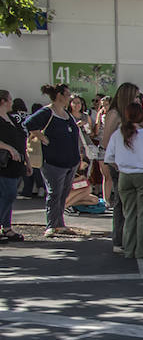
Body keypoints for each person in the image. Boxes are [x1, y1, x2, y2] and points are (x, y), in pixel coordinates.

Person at [25, 83, 82, 238]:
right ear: (59, 96)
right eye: (67, 94)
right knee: (54, 192)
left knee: (63, 193)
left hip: (70, 161)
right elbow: (29, 124)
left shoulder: (66, 113)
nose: (69, 97)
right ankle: (51, 225)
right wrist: (43, 139)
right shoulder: (47, 112)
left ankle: (59, 224)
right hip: (53, 162)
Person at [104, 101, 143, 258]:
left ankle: (128, 248)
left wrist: (120, 167)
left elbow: (109, 158)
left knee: (128, 213)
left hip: (124, 176)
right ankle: (142, 249)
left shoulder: (118, 134)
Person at [0, 90, 26, 244]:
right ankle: (4, 226)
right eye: (9, 99)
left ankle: (7, 227)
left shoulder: (11, 118)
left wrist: (27, 161)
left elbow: (21, 139)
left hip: (16, 164)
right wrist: (9, 148)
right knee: (8, 195)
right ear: (3, 101)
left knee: (8, 197)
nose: (11, 101)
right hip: (4, 164)